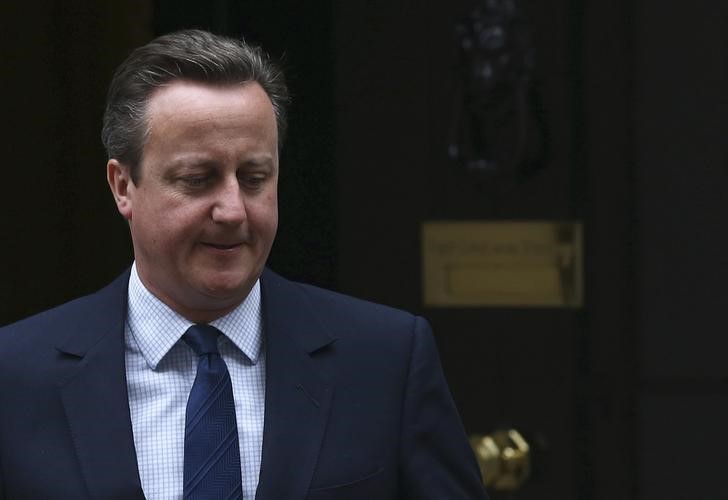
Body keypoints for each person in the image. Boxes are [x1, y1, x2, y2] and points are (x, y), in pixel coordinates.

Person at [0, 30, 488, 499]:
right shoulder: (17, 374)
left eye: (254, 177)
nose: (233, 210)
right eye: (197, 178)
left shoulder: (385, 360)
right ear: (123, 186)